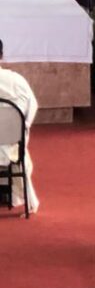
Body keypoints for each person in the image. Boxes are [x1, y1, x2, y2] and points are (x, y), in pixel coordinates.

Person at [0, 38, 39, 215]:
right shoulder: (17, 81)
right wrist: (22, 130)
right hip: (13, 145)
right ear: (2, 55)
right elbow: (32, 107)